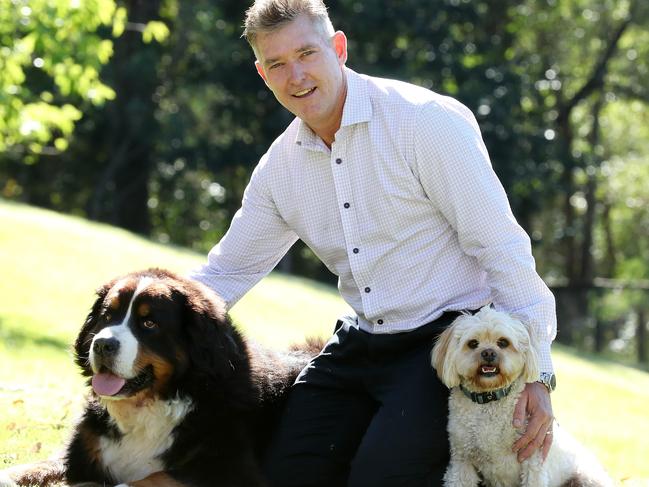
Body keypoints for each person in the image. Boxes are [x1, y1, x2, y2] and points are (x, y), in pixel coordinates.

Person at [190, 0, 557, 485]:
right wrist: (142, 329)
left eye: (307, 53)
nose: (295, 75)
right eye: (277, 64)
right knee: (281, 475)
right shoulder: (281, 168)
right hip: (359, 342)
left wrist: (539, 375)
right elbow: (226, 272)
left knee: (380, 477)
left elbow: (501, 246)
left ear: (338, 47)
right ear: (263, 74)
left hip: (441, 339)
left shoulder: (425, 123)